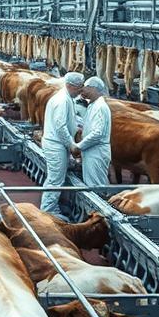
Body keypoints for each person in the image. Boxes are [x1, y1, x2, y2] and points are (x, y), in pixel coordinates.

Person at [39, 73, 85, 218]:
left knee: (54, 178)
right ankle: (48, 211)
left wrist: (77, 126)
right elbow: (60, 126)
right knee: (55, 179)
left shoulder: (66, 98)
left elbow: (66, 121)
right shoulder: (62, 100)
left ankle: (49, 208)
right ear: (70, 85)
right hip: (55, 145)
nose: (81, 90)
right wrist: (71, 144)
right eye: (79, 87)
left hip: (56, 144)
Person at [76, 76, 112, 186]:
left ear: (93, 88)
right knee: (93, 183)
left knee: (96, 186)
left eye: (85, 87)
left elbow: (97, 133)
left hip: (96, 152)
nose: (82, 90)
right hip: (91, 151)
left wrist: (79, 146)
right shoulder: (93, 105)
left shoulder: (100, 107)